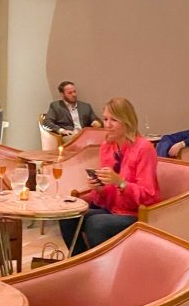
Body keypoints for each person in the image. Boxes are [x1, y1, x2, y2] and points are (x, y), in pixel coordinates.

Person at [60, 97, 160, 255]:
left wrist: (121, 183)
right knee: (68, 215)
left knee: (96, 223)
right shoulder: (107, 146)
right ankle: (80, 261)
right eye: (105, 119)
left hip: (136, 214)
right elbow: (106, 198)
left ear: (127, 121)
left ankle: (103, 269)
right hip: (113, 209)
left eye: (114, 120)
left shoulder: (144, 148)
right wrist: (99, 188)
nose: (107, 124)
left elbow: (149, 196)